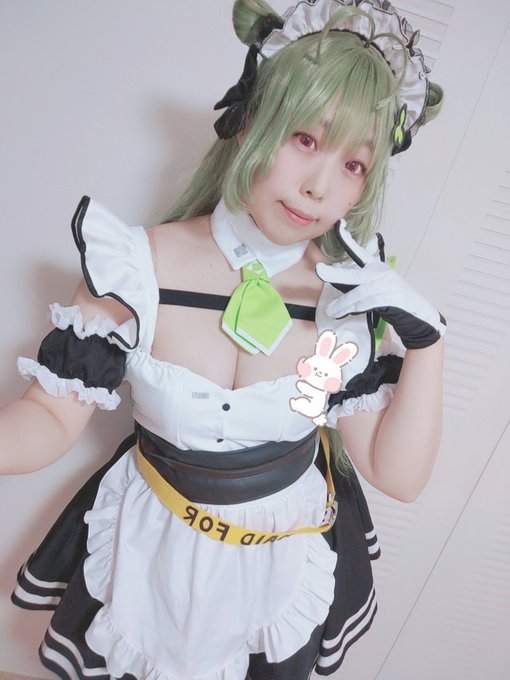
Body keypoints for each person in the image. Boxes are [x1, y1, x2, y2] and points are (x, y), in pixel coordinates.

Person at [1, 0, 446, 678]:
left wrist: (429, 345)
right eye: (305, 139)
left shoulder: (345, 302)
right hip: (149, 550)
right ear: (248, 122)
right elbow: (50, 418)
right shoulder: (137, 265)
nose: (319, 187)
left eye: (354, 165)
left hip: (279, 565)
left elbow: (397, 476)